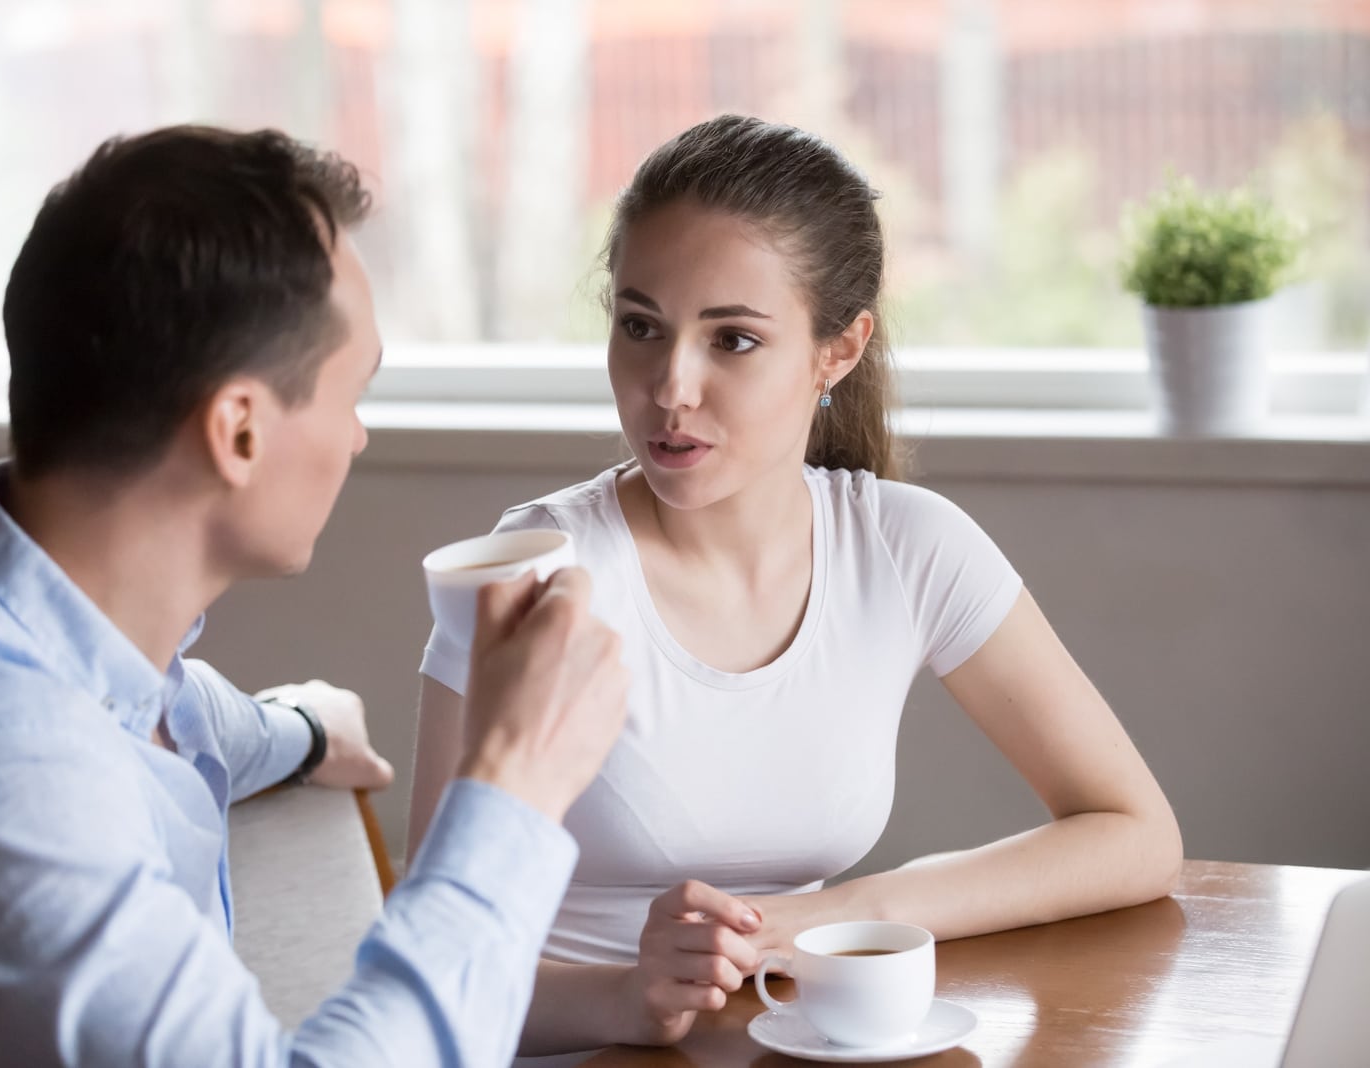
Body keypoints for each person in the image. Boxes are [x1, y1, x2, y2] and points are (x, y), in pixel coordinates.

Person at [0, 126, 628, 1067]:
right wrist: (513, 782)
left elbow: (156, 705)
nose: (357, 440)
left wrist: (300, 729)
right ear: (240, 432)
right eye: (352, 395)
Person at [407, 114, 1184, 1057]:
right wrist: (626, 997)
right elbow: (431, 966)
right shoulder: (537, 568)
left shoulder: (906, 545)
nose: (669, 388)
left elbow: (1136, 833)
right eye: (639, 326)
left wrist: (845, 916)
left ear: (838, 351)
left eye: (731, 340)